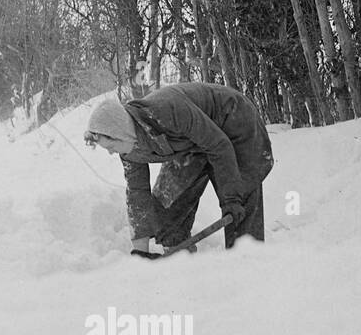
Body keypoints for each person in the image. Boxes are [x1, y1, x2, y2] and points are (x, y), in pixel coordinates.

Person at [84, 82, 274, 254]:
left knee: (240, 203)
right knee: (168, 205)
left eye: (109, 147)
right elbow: (137, 193)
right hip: (191, 142)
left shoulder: (166, 110)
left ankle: (247, 259)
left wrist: (231, 198)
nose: (111, 153)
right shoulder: (128, 150)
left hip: (232, 120)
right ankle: (181, 263)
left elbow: (218, 145)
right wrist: (140, 253)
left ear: (120, 133)